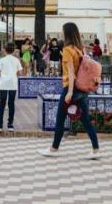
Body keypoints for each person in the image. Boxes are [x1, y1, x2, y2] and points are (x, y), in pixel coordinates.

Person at [40, 21, 100, 160]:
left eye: (62, 31)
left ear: (67, 33)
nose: (61, 33)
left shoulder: (67, 50)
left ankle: (54, 148)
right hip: (83, 89)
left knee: (60, 119)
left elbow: (71, 73)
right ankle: (96, 149)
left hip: (71, 88)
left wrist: (70, 92)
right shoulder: (80, 49)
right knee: (85, 120)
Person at [0, 41, 21, 132]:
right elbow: (20, 73)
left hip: (3, 84)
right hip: (13, 84)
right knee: (11, 104)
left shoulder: (2, 60)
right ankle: (10, 124)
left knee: (2, 104)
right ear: (14, 50)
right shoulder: (16, 60)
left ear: (5, 50)